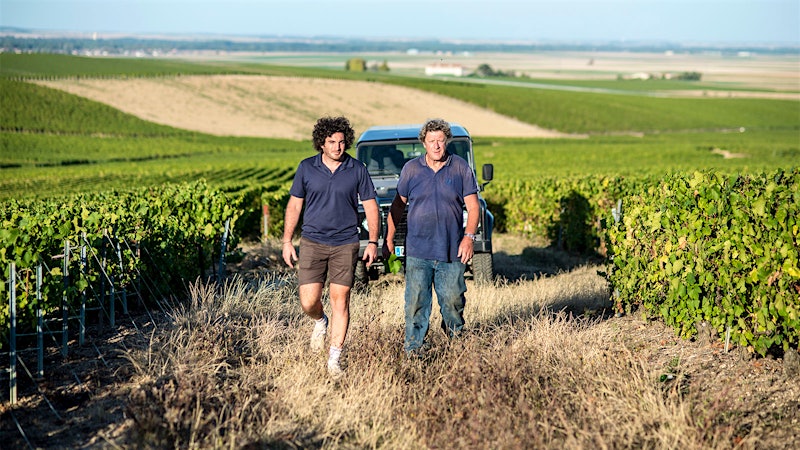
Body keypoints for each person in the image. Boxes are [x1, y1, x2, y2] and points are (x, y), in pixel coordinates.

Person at [282, 116, 380, 377]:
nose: (338, 146)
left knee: (341, 300)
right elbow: (294, 205)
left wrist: (372, 241)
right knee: (308, 301)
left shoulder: (357, 169)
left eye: (341, 141)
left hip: (345, 243)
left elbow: (371, 206)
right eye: (331, 142)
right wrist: (286, 241)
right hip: (313, 242)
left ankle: (334, 360)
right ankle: (319, 320)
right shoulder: (306, 168)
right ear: (321, 144)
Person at [383, 118, 480, 355]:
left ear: (447, 141)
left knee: (453, 302)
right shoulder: (411, 169)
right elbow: (397, 206)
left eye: (440, 140)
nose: (436, 145)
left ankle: (456, 347)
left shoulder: (459, 168)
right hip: (418, 251)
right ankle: (414, 350)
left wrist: (469, 237)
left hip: (451, 250)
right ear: (423, 143)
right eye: (431, 141)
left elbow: (474, 207)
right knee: (416, 303)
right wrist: (388, 238)